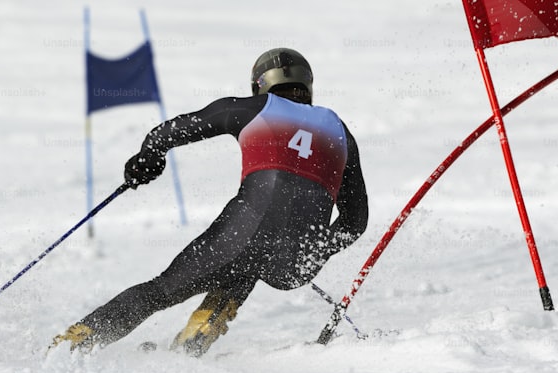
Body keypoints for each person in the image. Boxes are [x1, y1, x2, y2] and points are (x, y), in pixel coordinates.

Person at [52, 48, 368, 356]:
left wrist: (148, 159)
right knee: (248, 265)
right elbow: (356, 221)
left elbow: (171, 131)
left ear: (261, 84)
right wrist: (315, 249)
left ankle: (73, 343)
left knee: (164, 289)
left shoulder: (252, 108)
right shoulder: (340, 131)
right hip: (296, 265)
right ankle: (196, 336)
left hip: (242, 235)